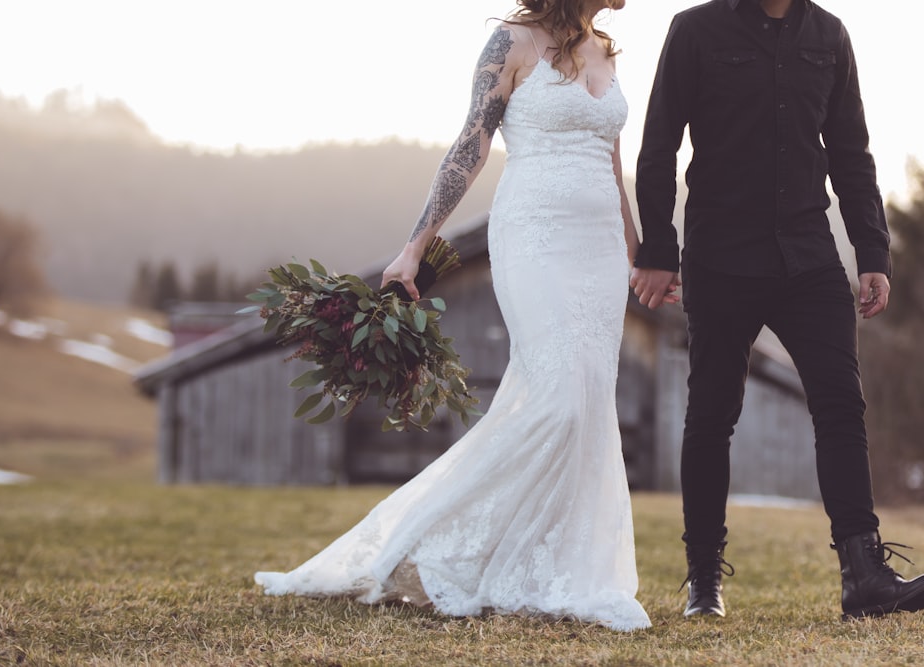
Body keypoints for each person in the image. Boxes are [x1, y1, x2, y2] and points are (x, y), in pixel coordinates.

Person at [253, 0, 658, 630]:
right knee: (560, 402)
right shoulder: (512, 43)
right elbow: (471, 141)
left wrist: (638, 250)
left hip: (599, 247)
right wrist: (416, 245)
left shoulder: (606, 50)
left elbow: (611, 159)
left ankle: (558, 571)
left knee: (588, 408)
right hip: (536, 237)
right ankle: (426, 546)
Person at [632, 0, 924, 619]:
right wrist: (659, 248)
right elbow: (658, 145)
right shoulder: (694, 30)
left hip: (808, 256)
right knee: (713, 414)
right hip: (719, 257)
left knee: (841, 403)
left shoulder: (829, 35)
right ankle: (704, 580)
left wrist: (872, 251)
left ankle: (863, 574)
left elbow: (851, 153)